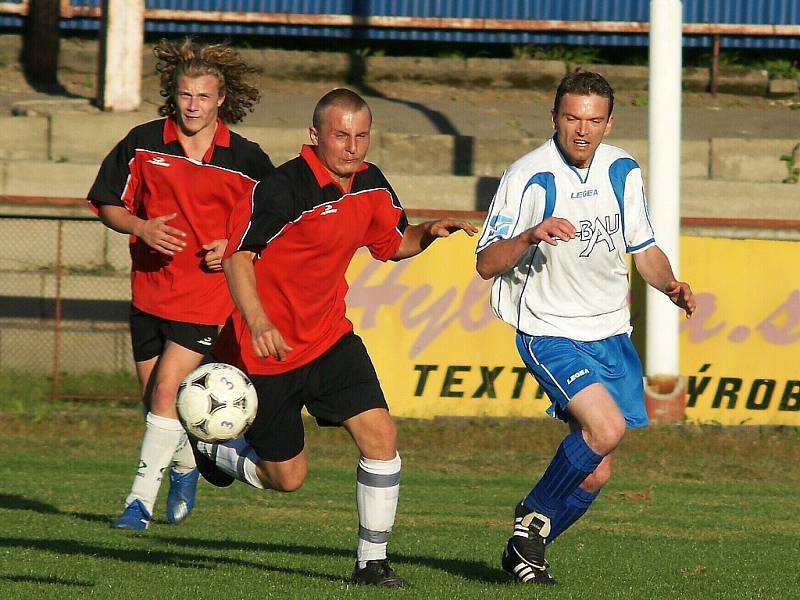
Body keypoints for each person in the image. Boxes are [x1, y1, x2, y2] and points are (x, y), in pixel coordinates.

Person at [189, 87, 477, 587]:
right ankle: (211, 447)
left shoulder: (371, 184)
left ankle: (372, 563)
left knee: (381, 436)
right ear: (315, 134)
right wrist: (257, 321)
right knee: (289, 479)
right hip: (267, 353)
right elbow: (238, 258)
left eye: (362, 135)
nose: (353, 146)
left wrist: (425, 235)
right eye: (341, 135)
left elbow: (392, 244)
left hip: (328, 341)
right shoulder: (282, 190)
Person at [475, 71, 696, 584]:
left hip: (609, 332)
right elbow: (486, 263)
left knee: (596, 469)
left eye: (593, 120)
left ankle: (526, 552)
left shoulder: (624, 170)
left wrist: (669, 285)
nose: (582, 130)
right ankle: (531, 516)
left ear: (609, 122)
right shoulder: (527, 176)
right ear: (553, 117)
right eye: (572, 118)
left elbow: (644, 250)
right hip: (548, 329)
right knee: (607, 428)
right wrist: (531, 233)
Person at [87, 38, 274, 530]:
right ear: (174, 96)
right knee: (155, 399)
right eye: (186, 96)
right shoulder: (144, 142)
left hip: (205, 299)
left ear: (221, 100)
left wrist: (231, 247)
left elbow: (274, 224)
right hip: (149, 291)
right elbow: (107, 202)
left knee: (170, 389)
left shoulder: (248, 160)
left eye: (204, 97)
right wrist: (141, 226)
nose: (194, 105)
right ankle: (188, 467)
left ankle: (137, 504)